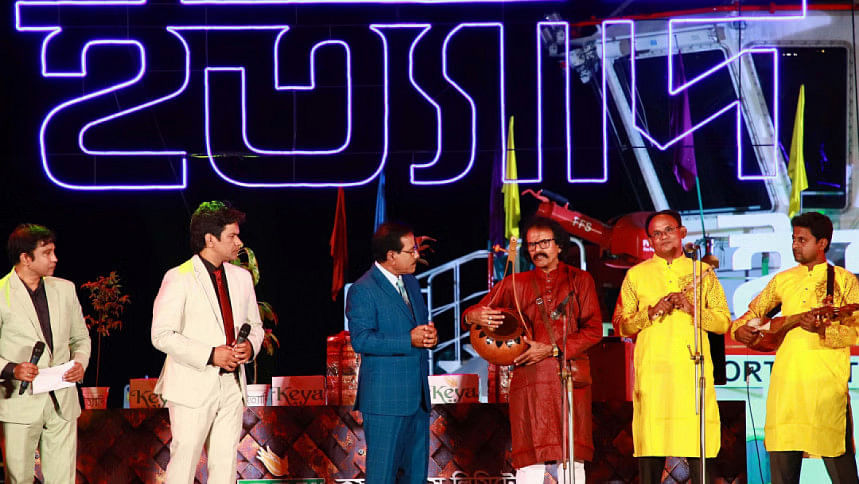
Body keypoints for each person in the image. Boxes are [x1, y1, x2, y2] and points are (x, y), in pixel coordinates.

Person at [463, 217, 602, 483]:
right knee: (529, 461)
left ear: (559, 245)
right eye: (532, 245)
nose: (538, 250)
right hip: (530, 382)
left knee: (572, 458)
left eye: (544, 243)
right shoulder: (515, 283)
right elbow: (475, 312)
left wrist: (551, 349)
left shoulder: (580, 279)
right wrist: (472, 316)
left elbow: (594, 329)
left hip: (569, 379)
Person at [732, 212, 859, 484]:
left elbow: (855, 332)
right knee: (782, 472)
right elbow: (751, 314)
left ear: (822, 243)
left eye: (802, 240)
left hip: (825, 389)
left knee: (843, 472)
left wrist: (822, 330)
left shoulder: (845, 281)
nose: (795, 245)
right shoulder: (783, 280)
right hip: (786, 388)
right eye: (793, 239)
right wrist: (738, 330)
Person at [612, 210, 730, 484]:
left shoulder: (703, 273)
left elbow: (723, 322)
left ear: (682, 232)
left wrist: (691, 308)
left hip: (692, 374)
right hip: (654, 376)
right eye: (656, 233)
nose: (663, 237)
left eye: (668, 230)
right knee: (652, 445)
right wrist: (651, 312)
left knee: (698, 443)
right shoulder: (636, 275)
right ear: (650, 241)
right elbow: (621, 325)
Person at [152, 201, 264, 484]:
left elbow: (256, 326)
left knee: (225, 467)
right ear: (210, 239)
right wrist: (211, 354)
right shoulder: (178, 277)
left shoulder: (241, 278)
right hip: (192, 385)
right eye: (232, 236)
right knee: (184, 465)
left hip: (232, 384)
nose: (239, 242)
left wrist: (250, 346)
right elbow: (161, 334)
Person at [346, 222, 437, 484]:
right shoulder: (363, 289)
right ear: (391, 255)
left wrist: (429, 337)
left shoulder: (411, 282)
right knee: (382, 477)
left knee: (416, 477)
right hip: (385, 401)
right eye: (411, 251)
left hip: (418, 400)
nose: (417, 255)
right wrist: (409, 340)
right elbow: (362, 340)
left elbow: (417, 329)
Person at [0, 223, 91, 483]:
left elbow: (81, 338)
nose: (55, 258)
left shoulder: (65, 289)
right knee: (19, 478)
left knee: (63, 479)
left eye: (54, 251)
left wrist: (80, 363)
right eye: (47, 253)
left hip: (61, 399)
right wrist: (12, 369)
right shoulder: (2, 294)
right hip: (20, 402)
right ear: (25, 258)